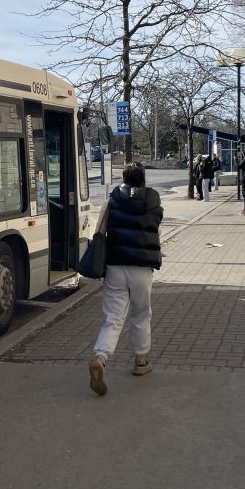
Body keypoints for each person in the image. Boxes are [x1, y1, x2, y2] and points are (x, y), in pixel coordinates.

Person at [88, 162, 163, 396]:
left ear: (123, 178)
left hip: (115, 266)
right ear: (143, 180)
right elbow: (158, 233)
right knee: (141, 313)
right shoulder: (154, 203)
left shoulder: (111, 201)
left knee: (113, 317)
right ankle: (141, 361)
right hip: (142, 267)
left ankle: (100, 358)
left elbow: (99, 230)